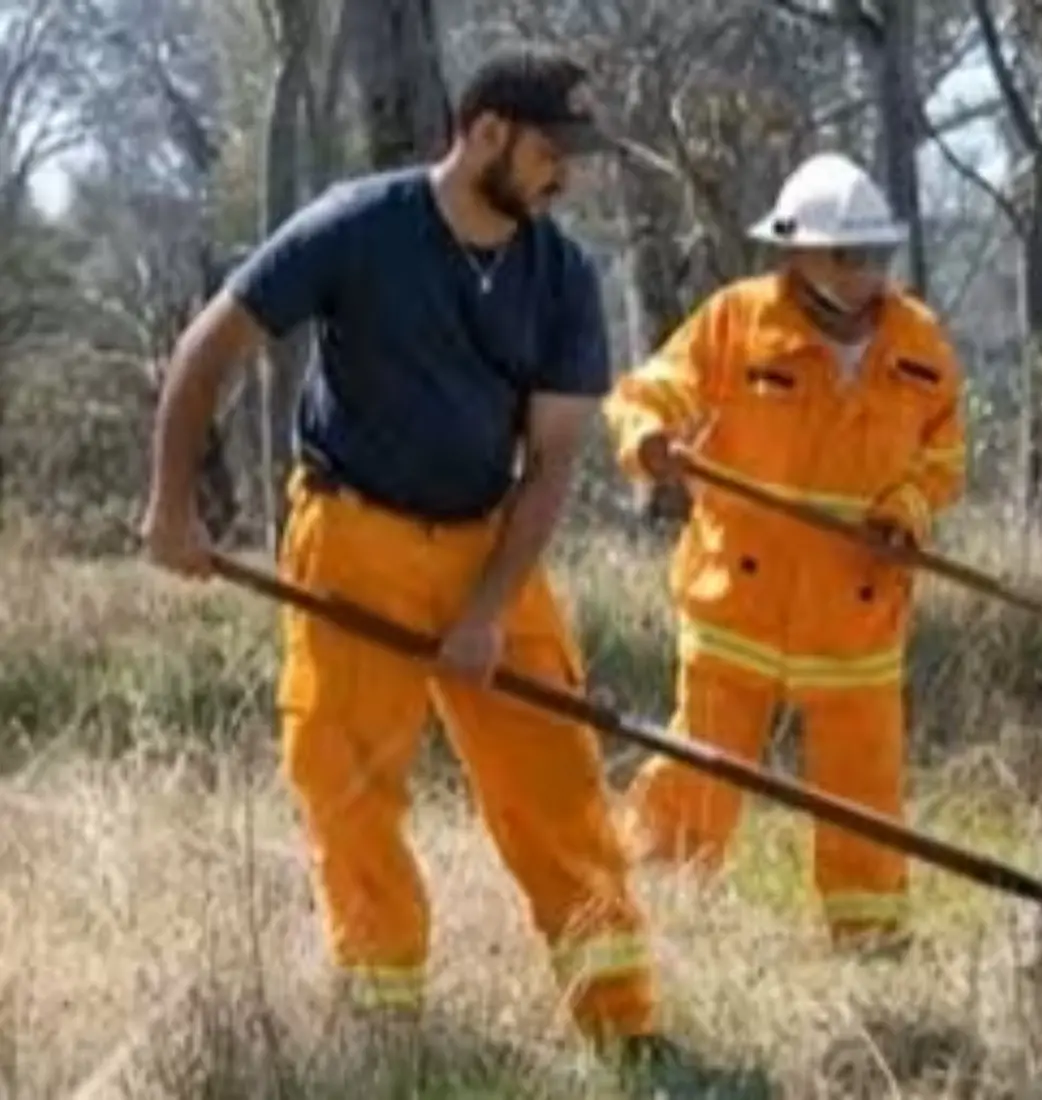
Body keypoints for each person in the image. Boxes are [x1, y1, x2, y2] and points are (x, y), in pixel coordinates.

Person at [139, 44, 694, 1090]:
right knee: (346, 782)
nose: (562, 176)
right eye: (547, 152)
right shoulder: (359, 226)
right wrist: (173, 506)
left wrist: (486, 612)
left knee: (557, 785)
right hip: (353, 536)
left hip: (494, 541)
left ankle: (626, 1026)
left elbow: (554, 464)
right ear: (484, 132)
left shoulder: (562, 274)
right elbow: (209, 348)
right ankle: (384, 1024)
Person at [602, 151, 968, 957]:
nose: (866, 273)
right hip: (738, 602)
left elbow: (942, 456)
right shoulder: (737, 319)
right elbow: (651, 388)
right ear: (797, 252)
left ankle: (870, 946)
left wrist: (906, 512)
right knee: (700, 768)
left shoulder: (920, 343)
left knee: (862, 790)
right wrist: (650, 439)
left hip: (858, 611)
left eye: (876, 255)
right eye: (849, 254)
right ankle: (645, 915)